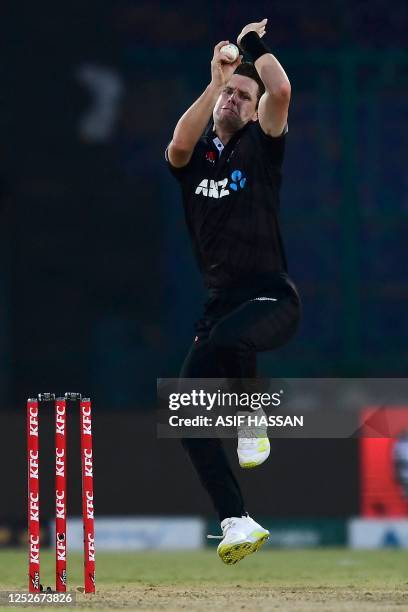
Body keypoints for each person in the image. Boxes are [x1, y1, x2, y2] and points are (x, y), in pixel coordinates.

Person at [165, 19, 301, 564]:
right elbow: (177, 145)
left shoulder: (261, 148)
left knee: (227, 340)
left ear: (253, 110)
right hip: (220, 307)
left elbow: (282, 91)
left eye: (244, 96)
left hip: (272, 298)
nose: (234, 99)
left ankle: (252, 419)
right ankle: (237, 520)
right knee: (184, 410)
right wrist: (215, 80)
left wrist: (251, 48)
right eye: (230, 93)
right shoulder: (198, 159)